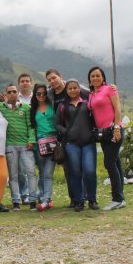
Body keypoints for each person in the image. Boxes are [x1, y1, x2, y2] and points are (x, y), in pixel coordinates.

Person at [46, 68, 89, 208]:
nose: (52, 81)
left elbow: (93, 94)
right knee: (69, 169)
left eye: (54, 78)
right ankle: (74, 198)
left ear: (60, 76)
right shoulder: (50, 93)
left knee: (82, 167)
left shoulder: (75, 87)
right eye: (49, 80)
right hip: (63, 136)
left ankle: (84, 196)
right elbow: (36, 99)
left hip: (81, 135)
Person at [55, 79, 99, 212]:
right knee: (75, 172)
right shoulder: (62, 106)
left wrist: (92, 133)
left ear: (79, 89)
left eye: (75, 88)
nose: (73, 90)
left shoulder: (87, 104)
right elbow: (57, 124)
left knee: (90, 171)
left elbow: (95, 120)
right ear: (66, 91)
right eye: (70, 88)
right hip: (71, 144)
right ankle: (79, 201)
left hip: (88, 143)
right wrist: (66, 132)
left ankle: (92, 200)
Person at [88, 66, 125, 211]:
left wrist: (116, 128)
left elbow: (117, 109)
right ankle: (121, 199)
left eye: (98, 75)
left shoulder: (110, 89)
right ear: (89, 79)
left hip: (114, 130)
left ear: (103, 77)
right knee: (116, 164)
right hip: (103, 134)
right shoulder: (91, 94)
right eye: (92, 76)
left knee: (109, 163)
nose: (95, 78)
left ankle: (117, 199)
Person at [0, 84, 38, 211]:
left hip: (25, 145)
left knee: (30, 172)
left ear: (17, 93)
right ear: (6, 94)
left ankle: (33, 200)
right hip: (10, 146)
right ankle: (16, 201)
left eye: (14, 91)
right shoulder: (0, 107)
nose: (12, 94)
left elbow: (31, 126)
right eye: (9, 92)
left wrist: (31, 140)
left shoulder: (26, 107)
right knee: (13, 175)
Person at [30, 83, 56, 211]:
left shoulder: (53, 105)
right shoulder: (32, 109)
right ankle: (45, 197)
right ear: (35, 95)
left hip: (53, 142)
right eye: (38, 94)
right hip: (39, 144)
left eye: (44, 93)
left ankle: (46, 200)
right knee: (41, 171)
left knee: (48, 173)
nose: (41, 96)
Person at [17, 73, 33, 204]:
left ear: (31, 83)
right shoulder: (14, 98)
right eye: (22, 81)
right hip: (20, 138)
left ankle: (37, 193)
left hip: (38, 136)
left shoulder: (39, 96)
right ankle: (24, 194)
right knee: (21, 170)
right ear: (19, 84)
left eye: (27, 81)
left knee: (36, 168)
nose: (25, 83)